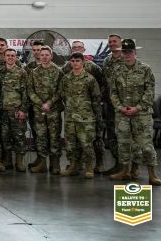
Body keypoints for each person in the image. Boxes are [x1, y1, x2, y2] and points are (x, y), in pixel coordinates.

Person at [108, 39, 160, 185]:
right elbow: (113, 93)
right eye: (124, 52)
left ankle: (152, 174)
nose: (127, 54)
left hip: (141, 114)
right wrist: (120, 107)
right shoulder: (117, 70)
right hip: (122, 114)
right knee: (123, 144)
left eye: (130, 52)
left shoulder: (145, 69)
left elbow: (149, 91)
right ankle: (125, 171)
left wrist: (138, 107)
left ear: (135, 53)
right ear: (122, 53)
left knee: (145, 145)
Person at [63, 40, 106, 172]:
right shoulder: (67, 69)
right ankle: (75, 165)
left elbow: (102, 82)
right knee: (72, 142)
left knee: (93, 139)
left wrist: (99, 103)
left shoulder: (93, 68)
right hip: (72, 112)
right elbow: (63, 92)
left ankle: (97, 164)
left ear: (84, 49)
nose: (76, 49)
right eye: (74, 47)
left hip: (90, 111)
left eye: (79, 47)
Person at [28, 46, 63, 175]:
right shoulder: (34, 72)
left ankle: (55, 164)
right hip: (39, 110)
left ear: (51, 56)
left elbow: (60, 91)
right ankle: (42, 164)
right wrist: (40, 103)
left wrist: (49, 103)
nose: (44, 57)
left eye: (47, 55)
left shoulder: (58, 72)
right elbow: (30, 90)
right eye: (42, 55)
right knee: (41, 137)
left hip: (53, 110)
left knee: (54, 137)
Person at [0, 48, 29, 173]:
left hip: (16, 111)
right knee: (5, 136)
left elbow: (26, 92)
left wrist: (23, 110)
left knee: (19, 137)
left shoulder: (22, 72)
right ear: (4, 57)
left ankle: (19, 161)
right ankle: (8, 160)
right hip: (3, 111)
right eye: (8, 55)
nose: (10, 57)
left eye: (12, 55)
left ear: (16, 57)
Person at [101, 34, 123, 174]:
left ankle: (129, 167)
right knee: (112, 136)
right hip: (110, 105)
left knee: (125, 136)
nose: (112, 44)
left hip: (124, 106)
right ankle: (118, 164)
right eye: (110, 42)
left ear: (120, 43)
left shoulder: (127, 60)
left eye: (115, 41)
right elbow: (104, 82)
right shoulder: (107, 61)